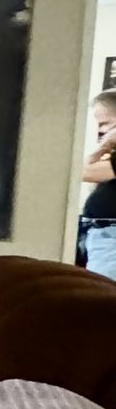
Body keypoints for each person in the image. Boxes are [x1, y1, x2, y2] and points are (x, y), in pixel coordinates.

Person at [79, 89, 116, 279]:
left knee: (104, 292)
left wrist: (104, 145)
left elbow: (83, 172)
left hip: (111, 238)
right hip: (102, 235)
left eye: (105, 124)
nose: (101, 131)